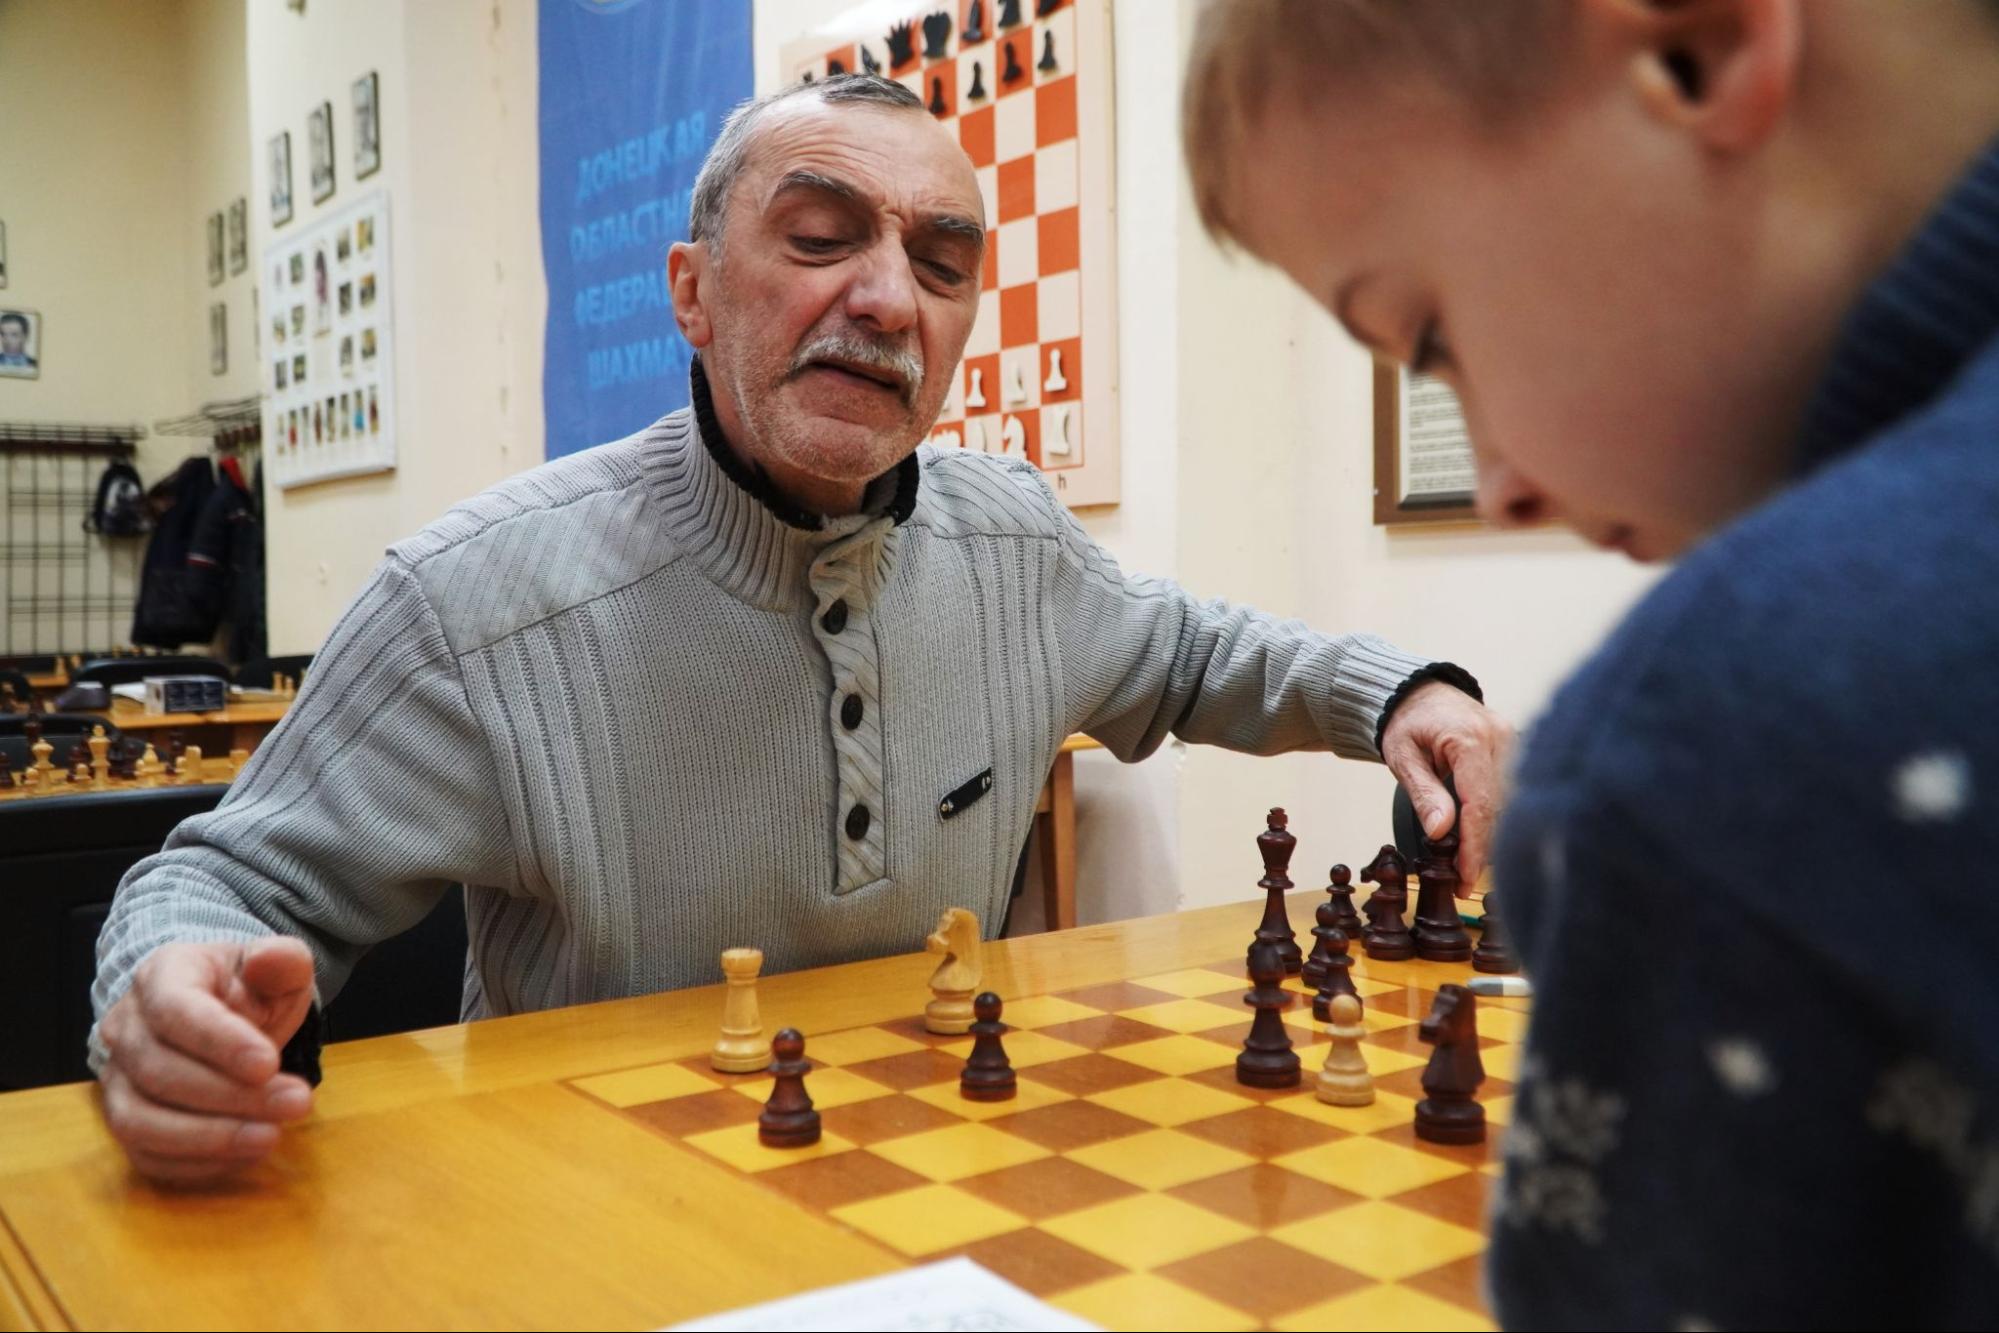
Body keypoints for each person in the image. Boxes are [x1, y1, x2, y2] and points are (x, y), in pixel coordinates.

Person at [90, 74, 1508, 1186]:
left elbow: (1200, 651)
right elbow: (219, 880)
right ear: (693, 291)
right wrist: (170, 986)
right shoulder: (476, 606)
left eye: (942, 266)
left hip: (947, 1209)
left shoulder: (1017, 548)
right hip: (588, 1224)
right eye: (821, 238)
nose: (888, 297)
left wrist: (1407, 693)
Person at [1182, 0, 1999, 1325]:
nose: (1498, 487)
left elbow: (1192, 640)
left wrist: (1396, 684)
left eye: (1430, 337)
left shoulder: (1705, 755)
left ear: (1701, 49)